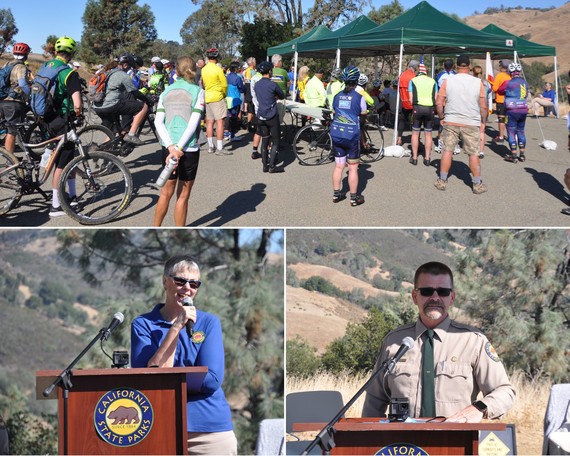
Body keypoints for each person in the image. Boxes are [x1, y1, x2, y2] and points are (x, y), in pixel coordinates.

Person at [362, 261, 516, 421]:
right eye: (427, 291)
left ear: (452, 297)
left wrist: (479, 408)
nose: (435, 298)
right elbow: (374, 400)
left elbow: (505, 392)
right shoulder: (394, 341)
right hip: (403, 444)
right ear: (415, 297)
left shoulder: (473, 341)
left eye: (443, 292)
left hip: (454, 442)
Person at [131, 255, 237, 455]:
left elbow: (212, 380)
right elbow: (143, 380)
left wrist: (165, 379)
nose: (187, 288)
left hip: (208, 432)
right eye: (180, 281)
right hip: (158, 426)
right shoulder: (142, 325)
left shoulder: (209, 323)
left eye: (194, 283)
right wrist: (177, 326)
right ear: (165, 281)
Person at [153, 57, 205, 227]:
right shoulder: (198, 91)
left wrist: (170, 147)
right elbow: (193, 123)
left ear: (175, 71)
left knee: (164, 193)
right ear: (194, 71)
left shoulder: (166, 92)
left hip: (168, 150)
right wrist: (179, 148)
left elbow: (158, 122)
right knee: (182, 196)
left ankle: (155, 228)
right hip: (188, 149)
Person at [40, 36, 83, 217]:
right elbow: (78, 103)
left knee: (68, 158)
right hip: (62, 120)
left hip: (46, 118)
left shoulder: (46, 67)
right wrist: (79, 113)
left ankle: (72, 196)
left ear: (56, 52)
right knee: (62, 163)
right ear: (71, 53)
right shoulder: (69, 73)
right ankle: (56, 205)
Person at [435, 54, 488, 195]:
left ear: (456, 66)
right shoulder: (478, 83)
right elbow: (483, 106)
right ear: (469, 66)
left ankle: (442, 180)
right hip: (471, 121)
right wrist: (483, 121)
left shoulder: (448, 80)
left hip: (451, 120)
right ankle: (477, 183)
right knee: (473, 153)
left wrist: (441, 117)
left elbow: (439, 102)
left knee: (447, 150)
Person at [330, 65, 367, 207]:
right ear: (357, 80)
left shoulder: (337, 96)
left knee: (339, 166)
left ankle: (336, 194)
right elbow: (363, 116)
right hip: (352, 136)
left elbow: (335, 112)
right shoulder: (359, 97)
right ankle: (353, 197)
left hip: (337, 134)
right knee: (353, 168)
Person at [93, 53, 149, 145]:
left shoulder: (107, 72)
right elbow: (134, 92)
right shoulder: (122, 75)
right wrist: (147, 100)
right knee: (144, 107)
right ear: (125, 65)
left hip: (98, 106)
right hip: (111, 105)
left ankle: (99, 151)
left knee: (114, 132)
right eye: (130, 66)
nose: (130, 68)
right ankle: (131, 135)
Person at [0, 42, 32, 154]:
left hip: (2, 99)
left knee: (5, 126)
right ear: (26, 54)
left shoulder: (7, 64)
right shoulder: (21, 67)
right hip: (13, 102)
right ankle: (10, 160)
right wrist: (31, 95)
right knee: (12, 131)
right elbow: (23, 84)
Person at [253, 60, 284, 173]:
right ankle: (272, 166)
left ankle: (264, 165)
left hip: (261, 115)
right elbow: (282, 95)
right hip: (271, 116)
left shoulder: (257, 84)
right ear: (270, 71)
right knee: (275, 141)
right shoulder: (272, 84)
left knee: (265, 140)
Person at [498, 63, 529, 163]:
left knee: (511, 132)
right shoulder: (525, 83)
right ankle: (522, 155)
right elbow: (526, 94)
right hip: (523, 109)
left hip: (511, 110)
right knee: (521, 131)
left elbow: (499, 90)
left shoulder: (508, 82)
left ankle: (514, 155)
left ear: (510, 72)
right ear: (519, 72)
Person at [201, 48, 229, 156]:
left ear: (208, 57)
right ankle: (220, 147)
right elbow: (224, 84)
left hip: (208, 97)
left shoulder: (204, 69)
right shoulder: (218, 69)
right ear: (217, 57)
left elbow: (203, 83)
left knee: (209, 122)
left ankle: (210, 146)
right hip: (217, 97)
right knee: (220, 122)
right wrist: (224, 94)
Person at [408, 63, 437, 166]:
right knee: (428, 134)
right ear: (426, 72)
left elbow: (410, 99)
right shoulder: (433, 81)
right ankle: (427, 158)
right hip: (430, 109)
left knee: (415, 133)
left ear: (417, 72)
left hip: (417, 108)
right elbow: (436, 97)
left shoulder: (413, 81)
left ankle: (415, 158)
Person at [472, 65, 492, 159]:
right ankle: (481, 151)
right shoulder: (487, 83)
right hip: (484, 107)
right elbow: (489, 95)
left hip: (473, 107)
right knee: (482, 129)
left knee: (472, 128)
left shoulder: (471, 83)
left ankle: (473, 148)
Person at [398, 60, 419, 145]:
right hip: (412, 102)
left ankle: (399, 138)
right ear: (415, 67)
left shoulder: (401, 75)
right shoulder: (414, 76)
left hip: (403, 101)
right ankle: (415, 140)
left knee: (402, 120)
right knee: (416, 121)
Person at [491, 60, 511, 143]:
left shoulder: (499, 76)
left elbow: (495, 89)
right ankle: (511, 136)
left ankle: (501, 136)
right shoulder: (511, 76)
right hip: (510, 100)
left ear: (502, 67)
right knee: (509, 120)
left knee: (501, 119)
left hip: (501, 100)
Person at [224, 61, 245, 142]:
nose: (239, 69)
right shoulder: (237, 78)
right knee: (234, 118)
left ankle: (226, 134)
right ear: (236, 68)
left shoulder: (226, 77)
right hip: (235, 100)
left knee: (227, 117)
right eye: (238, 67)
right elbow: (241, 89)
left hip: (227, 99)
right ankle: (232, 135)